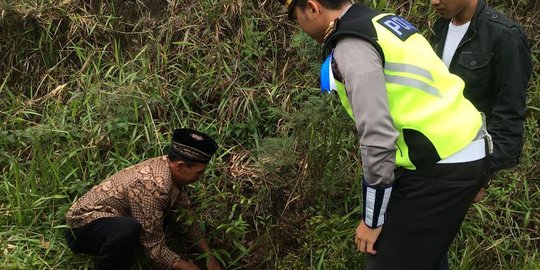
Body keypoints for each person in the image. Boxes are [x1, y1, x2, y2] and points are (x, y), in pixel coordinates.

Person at [276, 0, 492, 269]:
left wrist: (372, 219)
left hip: (439, 164)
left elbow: (377, 134)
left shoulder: (352, 44)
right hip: (460, 149)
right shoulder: (381, 22)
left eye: (296, 17)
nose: (300, 26)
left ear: (312, 8)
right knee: (425, 254)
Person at [429, 1, 532, 268]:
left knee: (430, 239)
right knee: (426, 241)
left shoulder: (504, 35)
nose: (433, 2)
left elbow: (509, 112)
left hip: (465, 160)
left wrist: (485, 173)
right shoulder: (440, 27)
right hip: (430, 154)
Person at [65, 128, 223, 270]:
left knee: (151, 220)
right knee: (127, 229)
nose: (200, 178)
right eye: (199, 173)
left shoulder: (169, 169)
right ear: (180, 166)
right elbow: (153, 247)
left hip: (112, 219)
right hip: (81, 227)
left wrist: (209, 256)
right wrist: (187, 267)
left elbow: (186, 216)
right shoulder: (153, 185)